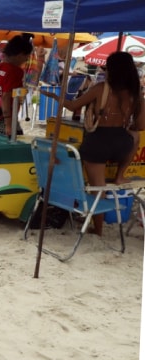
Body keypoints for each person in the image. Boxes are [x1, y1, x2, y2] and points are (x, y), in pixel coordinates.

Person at [41, 51, 145, 236]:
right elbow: (140, 126)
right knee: (135, 137)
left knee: (99, 187)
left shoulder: (101, 88)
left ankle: (97, 229)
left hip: (97, 142)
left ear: (111, 69)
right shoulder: (136, 95)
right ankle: (121, 175)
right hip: (122, 144)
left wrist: (55, 97)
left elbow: (74, 106)